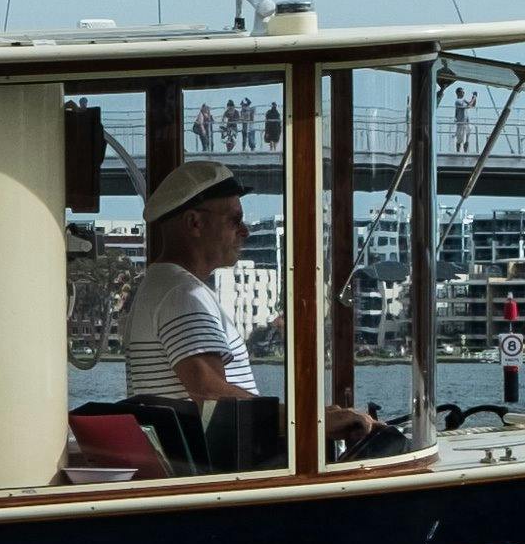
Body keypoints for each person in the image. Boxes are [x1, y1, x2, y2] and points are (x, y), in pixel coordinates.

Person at [126, 157, 377, 468]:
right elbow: (210, 393)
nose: (244, 231)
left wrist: (318, 417)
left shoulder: (160, 284)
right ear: (194, 223)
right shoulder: (182, 294)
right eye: (234, 220)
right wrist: (310, 420)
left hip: (206, 465)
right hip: (225, 473)